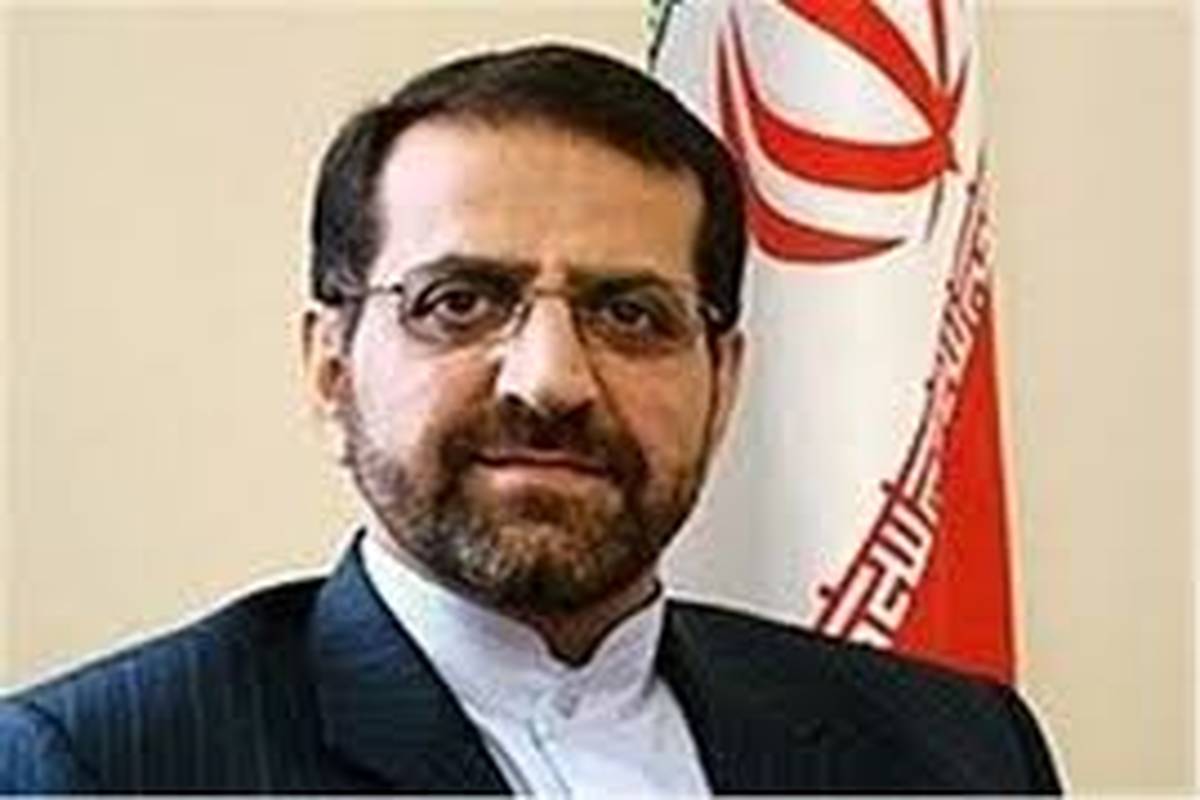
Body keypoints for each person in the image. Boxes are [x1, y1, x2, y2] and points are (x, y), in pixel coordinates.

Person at [0, 43, 1061, 794]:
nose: (550, 382)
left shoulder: (958, 751)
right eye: (459, 301)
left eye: (631, 313)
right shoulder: (101, 767)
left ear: (724, 380)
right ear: (332, 369)